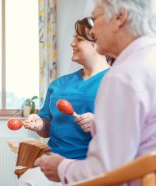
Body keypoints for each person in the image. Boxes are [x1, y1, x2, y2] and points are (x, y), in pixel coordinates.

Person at [34, 0, 156, 185]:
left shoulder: (123, 76)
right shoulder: (148, 60)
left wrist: (59, 167)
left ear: (119, 17)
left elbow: (104, 172)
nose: (93, 31)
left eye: (94, 18)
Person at [16, 17, 112, 186]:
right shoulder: (58, 85)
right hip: (53, 162)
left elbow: (130, 129)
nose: (72, 43)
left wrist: (99, 122)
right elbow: (46, 128)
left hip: (91, 167)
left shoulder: (116, 80)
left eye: (79, 39)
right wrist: (40, 124)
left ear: (98, 43)